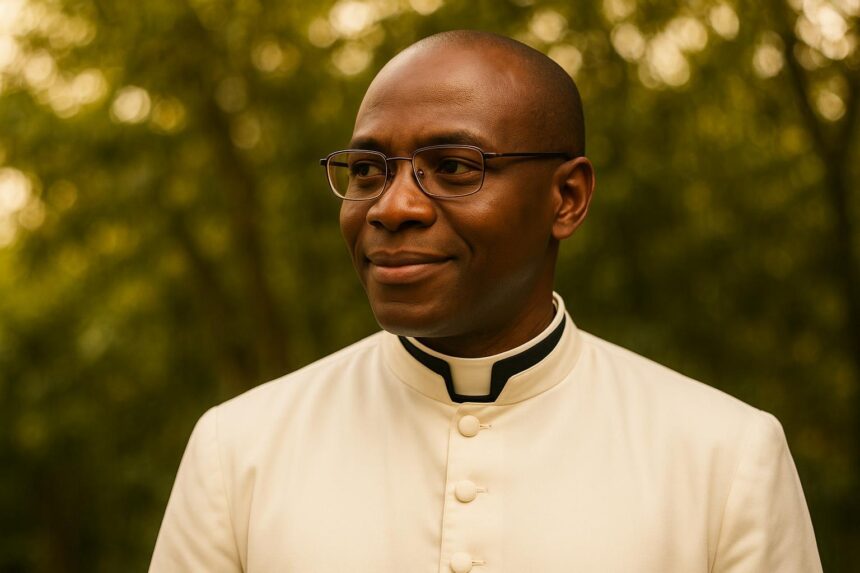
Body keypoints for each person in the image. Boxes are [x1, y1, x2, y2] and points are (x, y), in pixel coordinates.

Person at [149, 30, 822, 572]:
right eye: (368, 171)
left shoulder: (725, 457)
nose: (393, 206)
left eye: (453, 167)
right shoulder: (239, 450)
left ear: (567, 198)